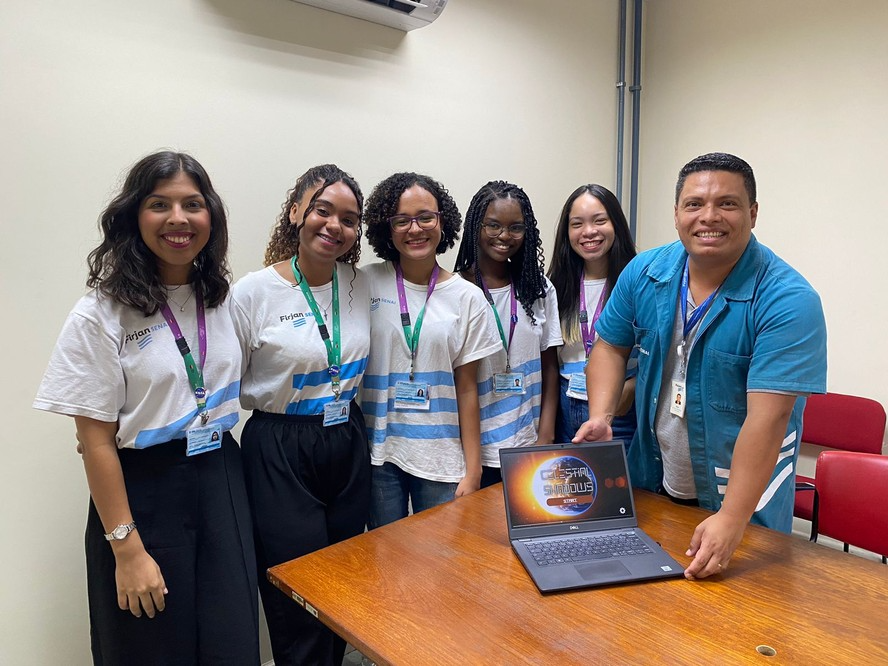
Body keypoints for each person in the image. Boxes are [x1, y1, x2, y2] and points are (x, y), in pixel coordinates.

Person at [33, 151, 259, 664]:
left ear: (211, 218)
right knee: (150, 645)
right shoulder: (101, 312)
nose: (178, 219)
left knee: (230, 639)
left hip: (222, 474)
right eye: (160, 204)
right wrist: (126, 548)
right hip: (143, 492)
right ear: (135, 216)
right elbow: (93, 440)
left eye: (193, 205)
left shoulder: (223, 299)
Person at [574, 153, 827, 579]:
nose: (709, 216)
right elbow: (610, 347)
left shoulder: (788, 299)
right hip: (653, 482)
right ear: (676, 213)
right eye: (694, 204)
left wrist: (731, 517)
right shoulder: (645, 271)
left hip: (741, 501)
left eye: (726, 203)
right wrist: (601, 414)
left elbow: (769, 419)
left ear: (753, 212)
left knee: (735, 627)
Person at [230, 165, 370, 666]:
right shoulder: (253, 291)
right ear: (295, 213)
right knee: (297, 585)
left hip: (346, 436)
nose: (335, 225)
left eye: (349, 219)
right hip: (280, 445)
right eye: (322, 210)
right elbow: (222, 372)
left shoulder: (359, 283)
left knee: (343, 579)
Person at [361, 172, 500, 527]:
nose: (415, 229)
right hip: (378, 456)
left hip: (441, 458)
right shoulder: (365, 282)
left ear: (443, 222)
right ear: (386, 228)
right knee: (383, 561)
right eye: (401, 220)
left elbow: (468, 389)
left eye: (426, 217)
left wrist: (473, 471)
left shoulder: (467, 297)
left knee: (439, 568)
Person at [453, 181, 562, 487]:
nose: (504, 236)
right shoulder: (456, 291)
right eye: (493, 225)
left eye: (516, 227)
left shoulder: (538, 289)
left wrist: (545, 436)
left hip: (526, 446)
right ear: (476, 226)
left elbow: (550, 367)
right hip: (472, 452)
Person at [548, 185, 638, 444]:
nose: (589, 232)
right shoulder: (555, 285)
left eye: (600, 221)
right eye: (577, 224)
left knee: (619, 483)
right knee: (575, 482)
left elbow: (656, 353)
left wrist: (635, 387)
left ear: (616, 225)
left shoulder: (636, 281)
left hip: (620, 405)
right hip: (568, 404)